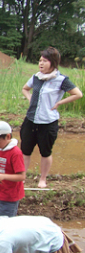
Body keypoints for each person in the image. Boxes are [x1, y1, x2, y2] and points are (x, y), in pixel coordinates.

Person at [20, 47, 83, 188]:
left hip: (48, 122)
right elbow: (25, 88)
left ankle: (43, 179)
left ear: (53, 63)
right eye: (40, 60)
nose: (41, 63)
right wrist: (30, 98)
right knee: (25, 150)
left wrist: (60, 102)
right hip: (30, 120)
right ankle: (22, 176)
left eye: (45, 61)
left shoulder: (61, 80)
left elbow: (78, 94)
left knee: (45, 152)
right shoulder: (35, 77)